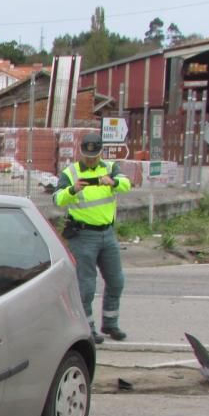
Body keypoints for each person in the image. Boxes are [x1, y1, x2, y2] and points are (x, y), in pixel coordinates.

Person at [53, 132, 132, 344]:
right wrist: (73, 189)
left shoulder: (110, 167)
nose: (91, 159)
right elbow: (57, 198)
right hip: (83, 235)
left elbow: (126, 184)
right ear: (81, 152)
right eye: (87, 155)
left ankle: (110, 323)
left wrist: (112, 182)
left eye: (94, 155)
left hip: (107, 233)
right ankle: (88, 328)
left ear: (100, 153)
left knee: (116, 281)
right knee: (86, 286)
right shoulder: (71, 172)